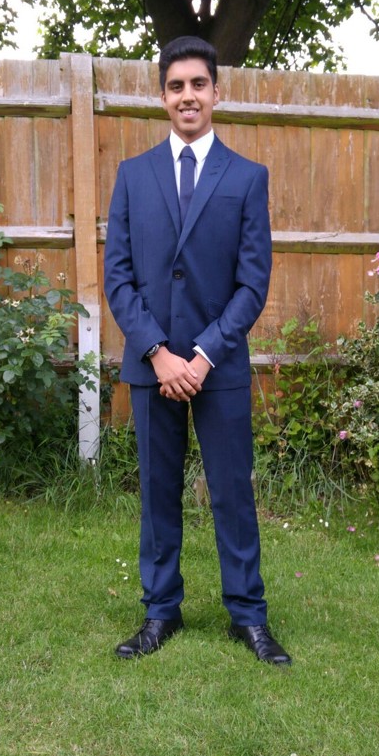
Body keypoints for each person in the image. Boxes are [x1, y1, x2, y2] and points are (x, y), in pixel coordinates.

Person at [103, 35, 291, 666]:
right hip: (151, 365)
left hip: (220, 364)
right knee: (157, 492)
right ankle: (161, 610)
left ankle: (248, 615)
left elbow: (252, 284)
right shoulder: (133, 176)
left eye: (198, 84)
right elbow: (118, 278)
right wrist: (157, 352)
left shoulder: (247, 178)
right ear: (163, 96)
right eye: (176, 85)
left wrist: (205, 353)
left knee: (232, 492)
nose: (188, 95)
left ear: (216, 92)